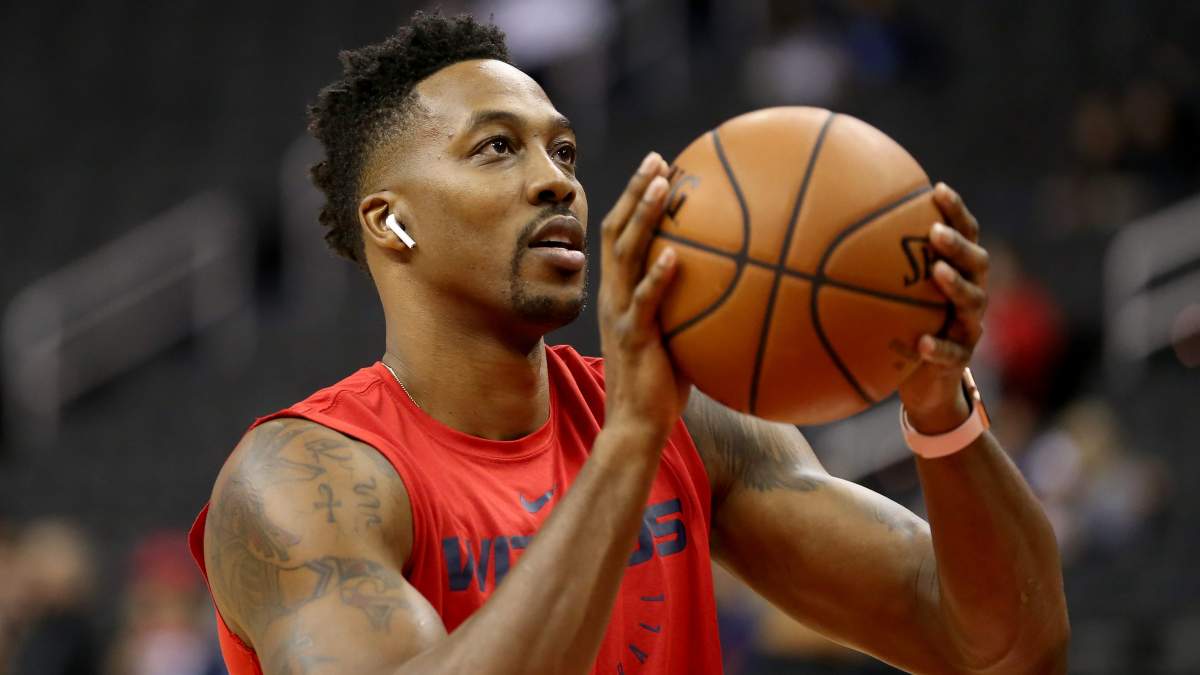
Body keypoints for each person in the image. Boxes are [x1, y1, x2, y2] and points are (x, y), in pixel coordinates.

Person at [188, 12, 1069, 675]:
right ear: (391, 221)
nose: (556, 182)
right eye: (497, 148)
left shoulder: (693, 425)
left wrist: (938, 406)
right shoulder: (299, 482)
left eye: (565, 152)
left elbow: (1005, 648)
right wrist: (630, 443)